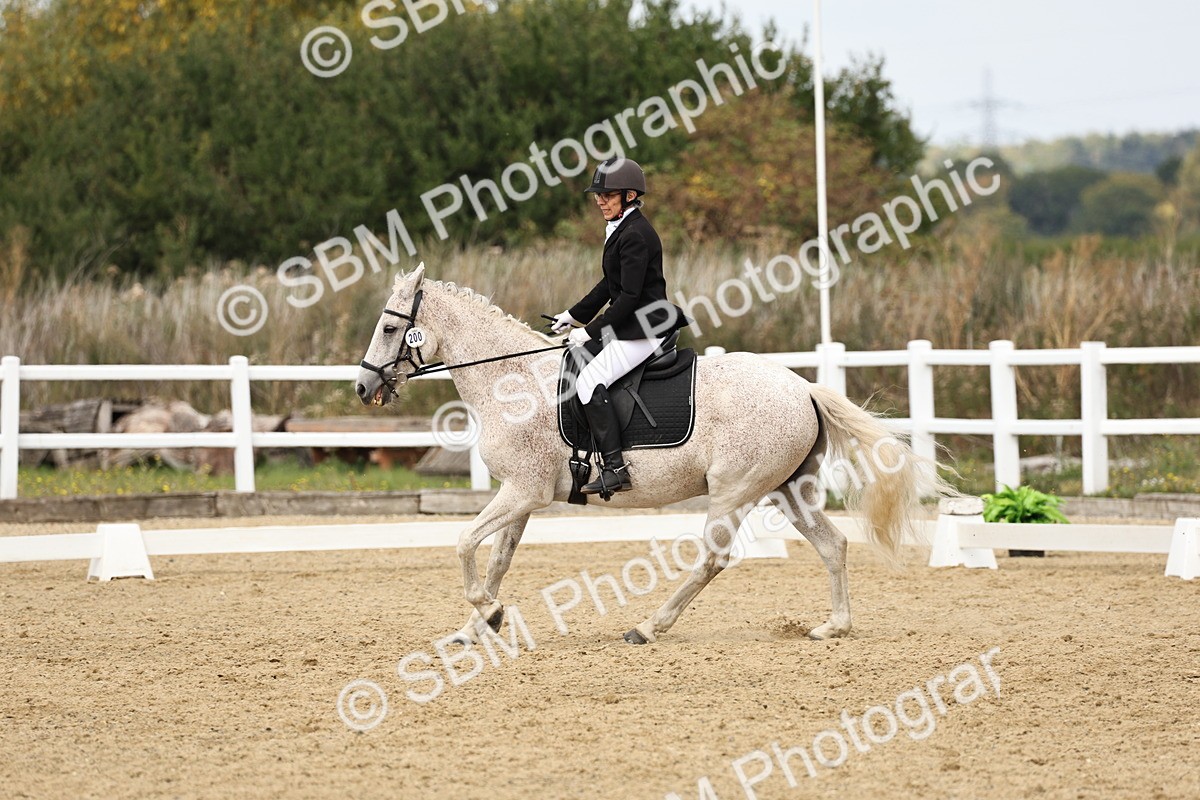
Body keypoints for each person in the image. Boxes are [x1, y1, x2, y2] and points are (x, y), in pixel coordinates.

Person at [550, 157, 687, 496]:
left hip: (645, 327)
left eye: (607, 195)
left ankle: (615, 469)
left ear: (628, 195)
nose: (600, 201)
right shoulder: (622, 228)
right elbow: (608, 284)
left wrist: (590, 330)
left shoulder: (636, 234)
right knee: (576, 361)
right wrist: (572, 314)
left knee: (588, 382)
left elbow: (627, 298)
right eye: (598, 195)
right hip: (631, 322)